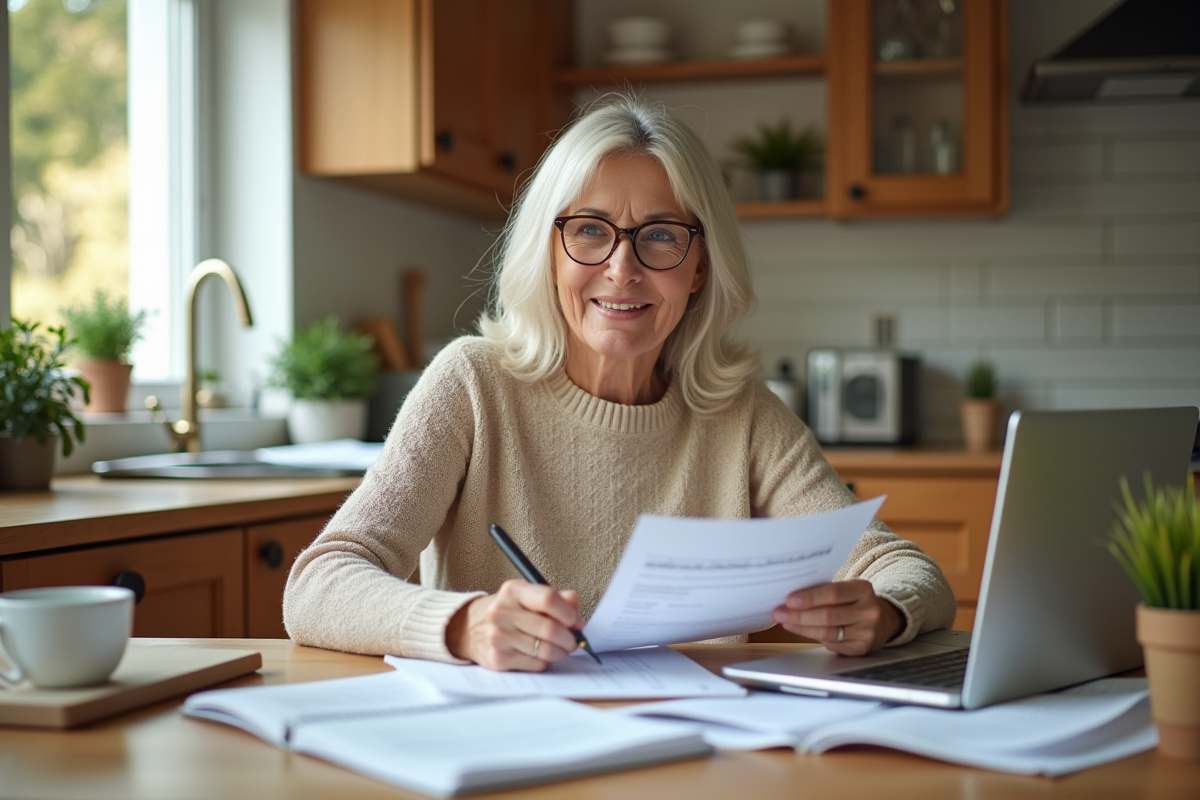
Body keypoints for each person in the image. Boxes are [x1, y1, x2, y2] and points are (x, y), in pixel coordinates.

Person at [284, 94, 956, 671]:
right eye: (589, 231)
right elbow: (317, 585)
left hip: (693, 754)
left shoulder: (741, 413)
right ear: (550, 253)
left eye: (660, 237)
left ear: (700, 267)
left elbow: (910, 572)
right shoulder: (472, 385)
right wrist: (464, 625)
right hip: (505, 748)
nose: (621, 268)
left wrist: (886, 612)